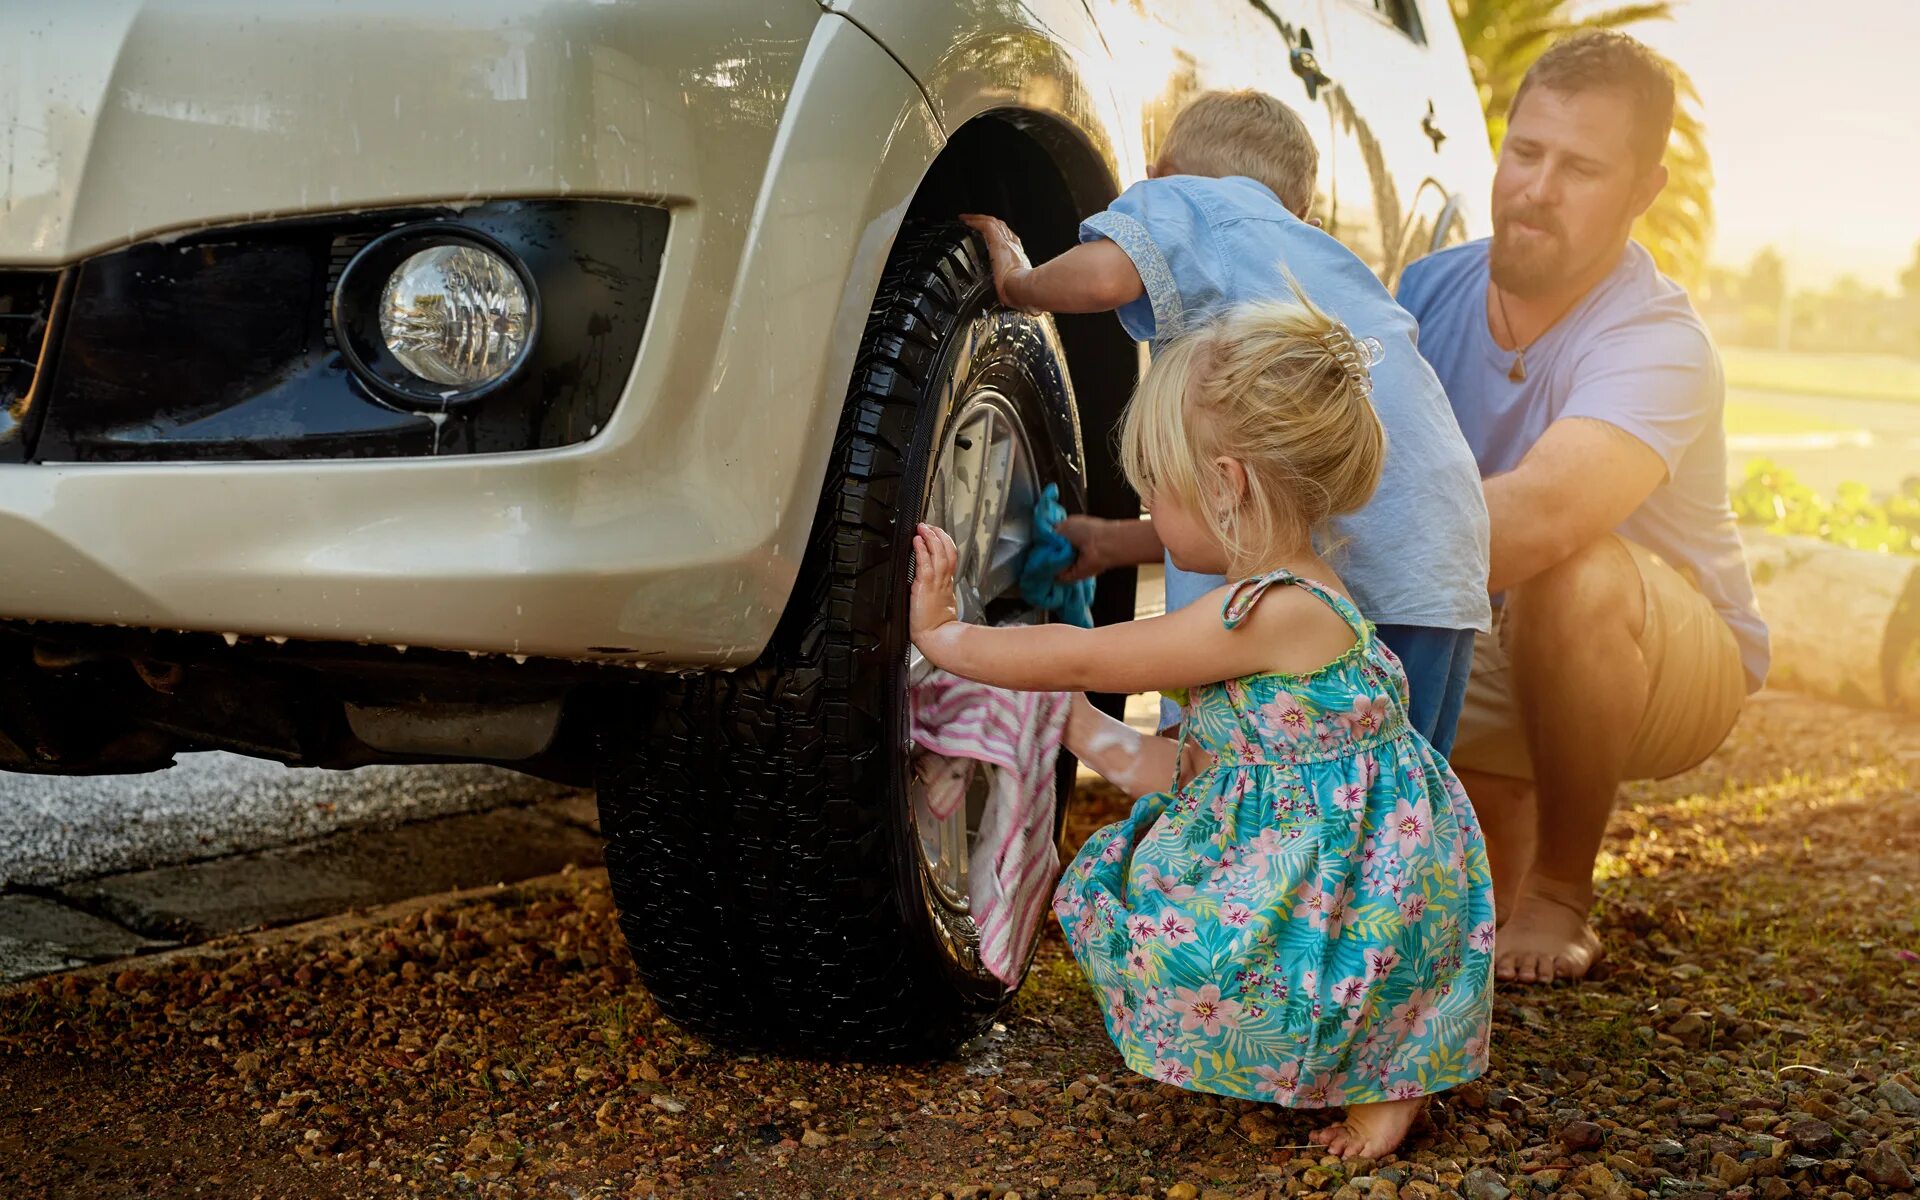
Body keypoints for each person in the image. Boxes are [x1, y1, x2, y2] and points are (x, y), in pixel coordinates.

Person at [909, 296, 1495, 1160]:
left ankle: (1389, 1090)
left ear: (1226, 485)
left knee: (1301, 966)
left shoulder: (1269, 611)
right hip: (1338, 843)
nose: (1146, 504)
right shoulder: (1293, 598)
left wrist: (947, 637)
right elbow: (1198, 772)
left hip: (1366, 873)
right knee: (1239, 940)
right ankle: (1363, 1069)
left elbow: (1090, 655)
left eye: (1156, 488)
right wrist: (1070, 727)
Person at [1396, 32, 1769, 984]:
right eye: (1526, 152)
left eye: (1581, 168)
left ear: (1644, 189)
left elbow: (1542, 517)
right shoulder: (1428, 289)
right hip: (1484, 619)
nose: (1536, 187)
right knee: (1444, 919)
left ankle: (1564, 889)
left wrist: (1304, 587)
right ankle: (1510, 840)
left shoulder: (1658, 341)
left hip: (1660, 655)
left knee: (1571, 564)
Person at [961, 88, 1490, 756]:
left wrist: (1018, 282)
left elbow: (1100, 282)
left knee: (1210, 746)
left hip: (1362, 554)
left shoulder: (1191, 198)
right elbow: (1281, 509)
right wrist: (1117, 542)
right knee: (1389, 794)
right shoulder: (1324, 261)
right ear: (1299, 210)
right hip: (1439, 553)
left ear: (1158, 174)